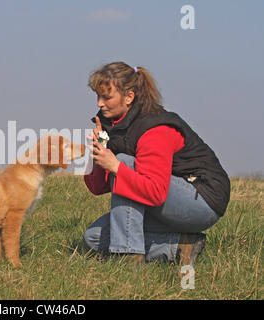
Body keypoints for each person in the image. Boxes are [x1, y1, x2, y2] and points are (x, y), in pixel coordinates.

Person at [83, 62, 230, 265]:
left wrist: (116, 166)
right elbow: (97, 188)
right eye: (97, 96)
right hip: (163, 201)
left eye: (106, 97)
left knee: (124, 163)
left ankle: (128, 258)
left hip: (201, 201)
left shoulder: (154, 127)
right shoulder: (111, 125)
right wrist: (99, 152)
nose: (99, 103)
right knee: (94, 237)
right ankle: (179, 247)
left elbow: (155, 192)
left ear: (129, 97)